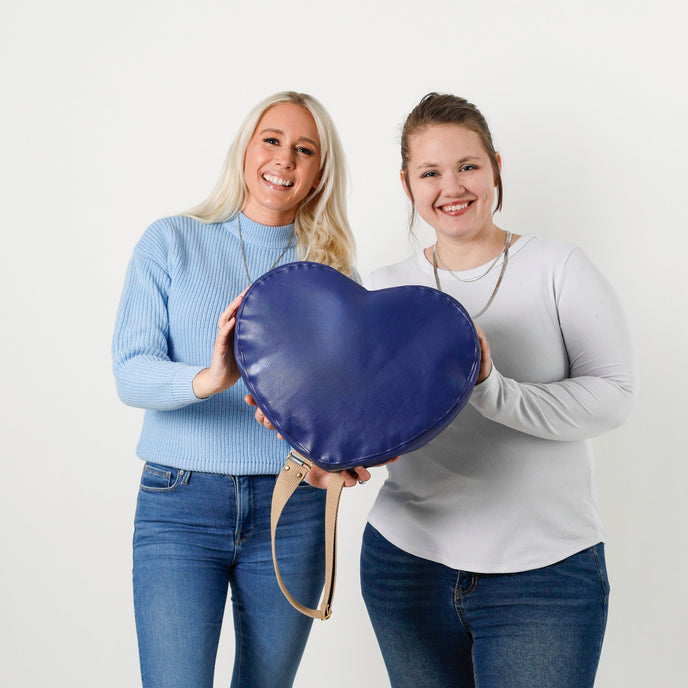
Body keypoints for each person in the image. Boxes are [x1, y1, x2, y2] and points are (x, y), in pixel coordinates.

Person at [360, 93, 637, 688]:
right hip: (406, 566)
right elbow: (365, 418)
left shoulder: (559, 268)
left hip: (545, 579)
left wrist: (491, 389)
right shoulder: (382, 289)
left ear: (495, 167)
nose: (451, 186)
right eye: (429, 172)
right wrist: (323, 447)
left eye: (467, 166)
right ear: (406, 183)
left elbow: (613, 395)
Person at [112, 91, 370, 688]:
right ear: (246, 150)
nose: (285, 158)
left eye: (305, 150)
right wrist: (210, 378)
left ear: (319, 173)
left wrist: (345, 459)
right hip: (179, 503)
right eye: (272, 140)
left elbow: (347, 405)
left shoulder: (333, 272)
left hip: (291, 509)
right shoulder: (171, 240)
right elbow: (130, 371)